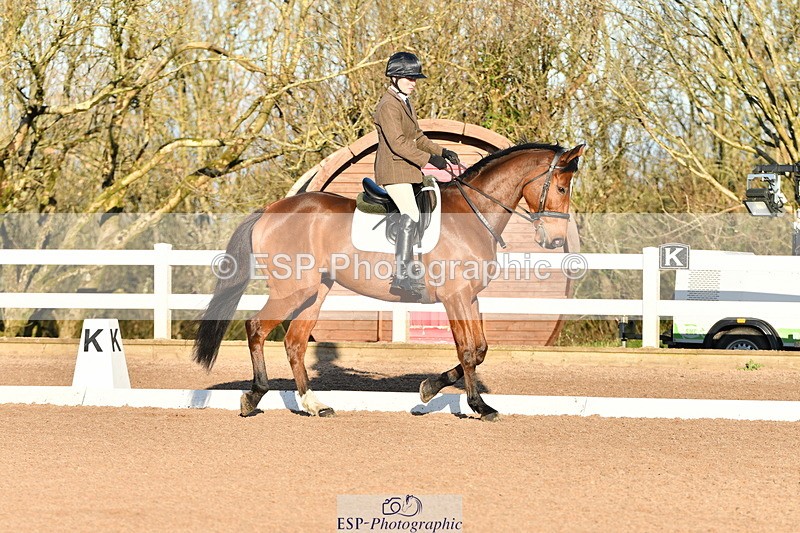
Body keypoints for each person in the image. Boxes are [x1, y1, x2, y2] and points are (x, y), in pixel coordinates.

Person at [373, 51, 460, 299]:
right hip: (394, 171)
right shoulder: (388, 105)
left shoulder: (404, 102)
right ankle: (401, 275)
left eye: (415, 78)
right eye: (409, 78)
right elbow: (399, 144)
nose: (414, 82)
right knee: (410, 213)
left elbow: (418, 137)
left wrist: (443, 151)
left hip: (408, 170)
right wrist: (430, 160)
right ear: (395, 77)